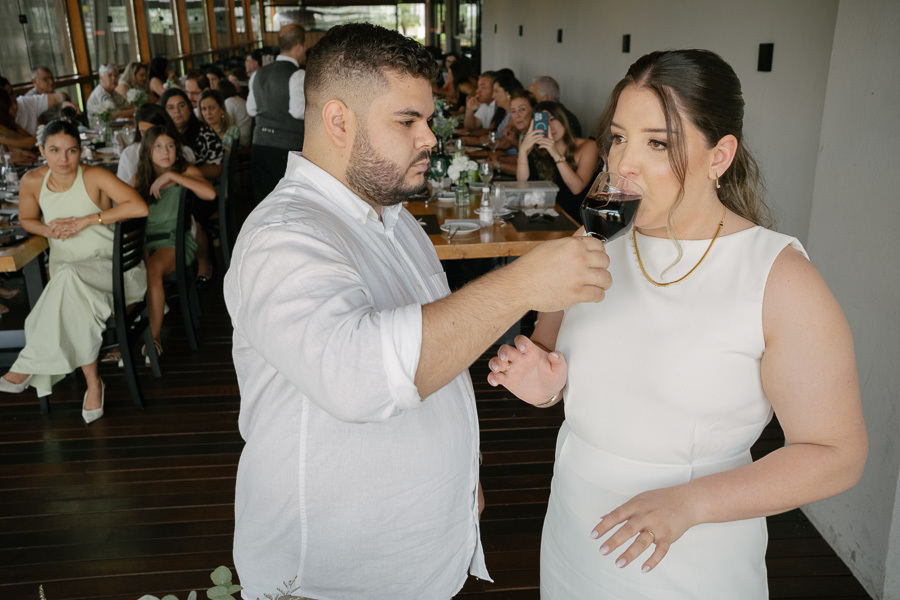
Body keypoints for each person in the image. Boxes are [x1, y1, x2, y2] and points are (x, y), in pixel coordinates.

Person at [224, 23, 611, 600]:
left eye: (427, 120)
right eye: (408, 121)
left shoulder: (395, 219)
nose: (430, 138)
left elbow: (436, 351)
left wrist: (461, 472)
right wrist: (523, 284)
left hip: (421, 549)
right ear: (337, 121)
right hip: (336, 575)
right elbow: (359, 377)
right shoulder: (283, 237)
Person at [487, 49, 868, 599]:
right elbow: (555, 369)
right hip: (576, 526)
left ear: (721, 155)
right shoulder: (586, 248)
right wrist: (545, 388)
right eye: (618, 138)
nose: (623, 165)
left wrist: (692, 504)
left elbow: (837, 454)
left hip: (692, 552)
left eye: (658, 143)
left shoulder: (778, 279)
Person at [0, 120, 148, 424]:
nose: (63, 159)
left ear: (80, 151)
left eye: (71, 151)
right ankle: (94, 383)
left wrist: (88, 220)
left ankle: (28, 364)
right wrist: (48, 230)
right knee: (71, 291)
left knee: (67, 280)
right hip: (68, 275)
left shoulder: (94, 175)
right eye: (54, 151)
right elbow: (28, 218)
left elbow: (138, 206)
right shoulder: (31, 181)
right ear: (41, 150)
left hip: (113, 271)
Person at [133, 125, 215, 358]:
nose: (165, 151)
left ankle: (155, 338)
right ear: (148, 152)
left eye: (170, 146)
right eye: (158, 146)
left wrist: (171, 176)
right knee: (121, 269)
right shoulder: (139, 178)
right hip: (144, 244)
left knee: (151, 270)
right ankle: (122, 337)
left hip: (174, 243)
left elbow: (210, 194)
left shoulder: (184, 171)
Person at [161, 88, 222, 284]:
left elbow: (217, 169)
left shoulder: (203, 132)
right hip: (174, 192)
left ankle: (204, 263)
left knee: (190, 215)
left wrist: (188, 175)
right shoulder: (163, 136)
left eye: (181, 106)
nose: (177, 112)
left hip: (206, 193)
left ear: (189, 107)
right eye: (170, 108)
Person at [247, 24, 306, 204]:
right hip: (286, 149)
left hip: (259, 145)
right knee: (288, 201)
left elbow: (251, 109)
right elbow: (297, 111)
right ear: (299, 46)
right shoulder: (297, 75)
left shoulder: (257, 74)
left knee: (264, 201)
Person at [517, 100, 600, 222]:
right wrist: (523, 151)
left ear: (562, 119)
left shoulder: (588, 146)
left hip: (574, 219)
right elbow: (522, 184)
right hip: (542, 215)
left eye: (552, 119)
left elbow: (576, 188)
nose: (550, 127)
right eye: (544, 121)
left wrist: (554, 153)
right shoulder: (534, 148)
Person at [116, 103, 196, 185]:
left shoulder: (184, 152)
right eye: (143, 132)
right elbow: (121, 188)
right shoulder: (129, 153)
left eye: (151, 132)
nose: (148, 137)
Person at [86, 64, 135, 129]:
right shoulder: (100, 93)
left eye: (116, 75)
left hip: (117, 127)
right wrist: (136, 111)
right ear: (101, 77)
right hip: (102, 132)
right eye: (109, 75)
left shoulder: (114, 92)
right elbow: (114, 114)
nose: (114, 78)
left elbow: (127, 106)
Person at [215, 80, 251, 146]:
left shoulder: (229, 102)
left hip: (240, 140)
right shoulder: (240, 99)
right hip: (247, 137)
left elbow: (227, 124)